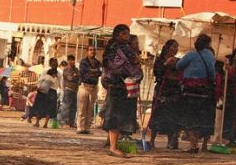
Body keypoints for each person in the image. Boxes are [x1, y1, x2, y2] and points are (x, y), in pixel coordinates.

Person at [101, 24, 143, 157]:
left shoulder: (116, 48)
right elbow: (119, 67)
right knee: (115, 117)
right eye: (124, 34)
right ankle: (113, 147)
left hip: (120, 86)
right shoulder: (119, 49)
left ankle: (114, 145)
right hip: (118, 85)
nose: (126, 37)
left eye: (128, 34)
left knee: (117, 116)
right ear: (117, 35)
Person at [176, 33, 216, 154]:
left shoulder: (190, 54)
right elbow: (212, 72)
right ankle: (194, 144)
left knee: (186, 116)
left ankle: (193, 142)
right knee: (199, 117)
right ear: (208, 44)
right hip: (203, 90)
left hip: (189, 90)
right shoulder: (209, 55)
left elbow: (178, 66)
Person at [147, 39, 182, 150]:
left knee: (172, 117)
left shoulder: (178, 61)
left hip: (174, 91)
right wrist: (166, 64)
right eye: (173, 46)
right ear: (167, 47)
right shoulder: (159, 60)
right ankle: (152, 141)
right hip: (162, 90)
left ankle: (170, 142)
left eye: (177, 47)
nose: (175, 49)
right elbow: (157, 73)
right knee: (157, 115)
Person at [76, 45, 102, 134]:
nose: (92, 51)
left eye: (94, 50)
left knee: (90, 108)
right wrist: (93, 72)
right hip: (84, 86)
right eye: (90, 50)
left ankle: (87, 128)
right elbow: (84, 72)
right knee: (82, 108)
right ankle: (80, 127)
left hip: (94, 86)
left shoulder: (98, 62)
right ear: (87, 51)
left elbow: (100, 72)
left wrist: (92, 71)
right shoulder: (83, 61)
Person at [30, 58, 59, 128]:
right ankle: (45, 123)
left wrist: (38, 87)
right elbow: (58, 83)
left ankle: (37, 122)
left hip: (43, 90)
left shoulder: (45, 70)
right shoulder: (58, 73)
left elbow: (40, 80)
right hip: (52, 91)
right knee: (49, 108)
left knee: (40, 106)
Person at [59, 54, 80, 128]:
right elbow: (70, 78)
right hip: (68, 89)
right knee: (66, 106)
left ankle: (71, 122)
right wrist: (75, 76)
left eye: (73, 60)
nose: (72, 61)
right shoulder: (66, 69)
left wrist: (75, 76)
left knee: (74, 107)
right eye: (70, 60)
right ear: (68, 61)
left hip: (75, 90)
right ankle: (64, 122)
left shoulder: (76, 69)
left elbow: (79, 79)